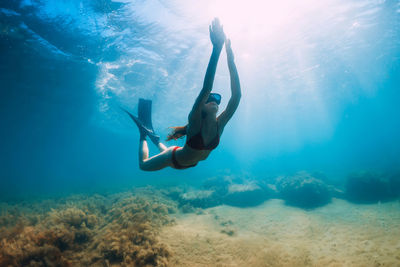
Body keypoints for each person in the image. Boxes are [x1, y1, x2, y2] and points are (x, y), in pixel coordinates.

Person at [126, 18, 241, 171]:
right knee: (143, 165)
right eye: (209, 99)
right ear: (202, 106)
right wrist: (217, 48)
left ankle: (153, 137)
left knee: (164, 150)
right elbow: (206, 88)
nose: (214, 100)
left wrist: (230, 57)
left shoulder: (221, 123)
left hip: (188, 162)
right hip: (172, 158)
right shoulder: (194, 119)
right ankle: (144, 135)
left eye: (217, 98)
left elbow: (236, 96)